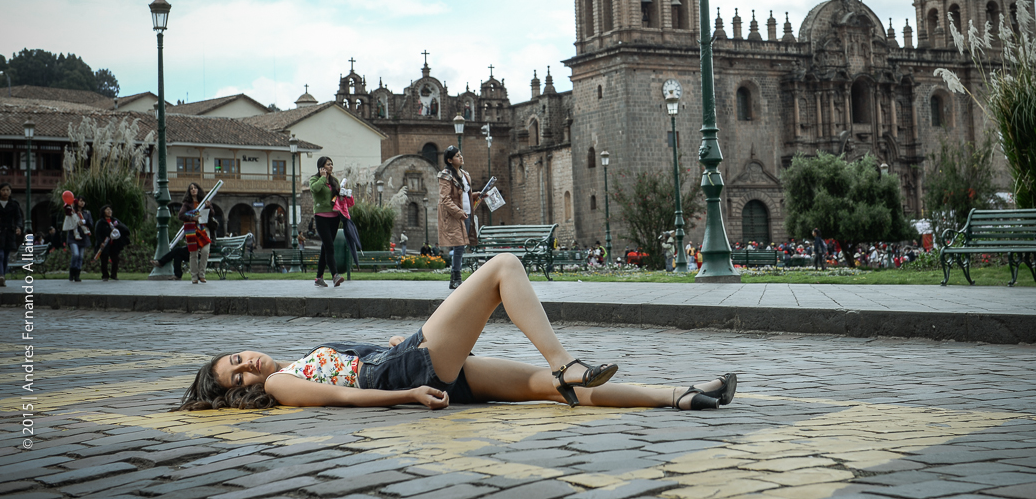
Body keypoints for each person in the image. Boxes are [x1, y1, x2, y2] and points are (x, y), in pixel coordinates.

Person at [176, 253, 736, 412]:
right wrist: (409, 393)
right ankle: (565, 360)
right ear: (242, 392)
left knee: (552, 392)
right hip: (410, 374)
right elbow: (347, 396)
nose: (248, 366)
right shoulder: (280, 385)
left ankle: (680, 395)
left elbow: (349, 370)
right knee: (504, 267)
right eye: (238, 377)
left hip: (413, 365)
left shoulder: (290, 365)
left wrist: (390, 349)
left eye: (237, 358)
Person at [438, 145, 480, 291]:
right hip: (455, 216)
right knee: (459, 245)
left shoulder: (465, 175)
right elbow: (445, 199)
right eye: (457, 156)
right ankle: (456, 277)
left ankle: (454, 279)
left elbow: (464, 195)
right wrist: (458, 212)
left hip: (467, 214)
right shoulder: (445, 176)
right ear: (449, 160)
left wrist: (476, 195)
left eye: (460, 154)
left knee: (462, 246)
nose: (461, 157)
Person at [309, 156, 345, 288]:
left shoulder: (334, 181)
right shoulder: (314, 179)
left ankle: (319, 277)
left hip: (334, 217)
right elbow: (315, 189)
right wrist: (323, 178)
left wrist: (343, 193)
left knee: (325, 248)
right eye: (328, 164)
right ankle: (335, 275)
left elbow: (337, 197)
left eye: (331, 164)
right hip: (321, 217)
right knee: (329, 247)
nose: (331, 166)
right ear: (321, 167)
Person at [179, 182, 212, 284]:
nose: (193, 189)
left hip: (203, 229)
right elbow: (181, 215)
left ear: (198, 189)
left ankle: (202, 274)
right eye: (191, 188)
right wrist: (192, 217)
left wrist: (208, 206)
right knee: (193, 253)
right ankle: (194, 276)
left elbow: (212, 214)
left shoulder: (204, 201)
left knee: (205, 251)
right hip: (192, 230)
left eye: (195, 187)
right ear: (189, 191)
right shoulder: (187, 203)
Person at [93, 204, 131, 281]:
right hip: (105, 243)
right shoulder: (101, 222)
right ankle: (105, 275)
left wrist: (117, 226)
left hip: (114, 244)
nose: (109, 211)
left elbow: (124, 229)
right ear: (103, 211)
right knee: (104, 260)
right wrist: (100, 242)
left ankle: (114, 274)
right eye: (107, 209)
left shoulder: (115, 221)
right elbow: (97, 233)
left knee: (115, 259)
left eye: (110, 209)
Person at [0, 183, 23, 288]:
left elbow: (18, 217)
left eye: (7, 190)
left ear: (10, 191)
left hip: (9, 233)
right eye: (3, 190)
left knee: (6, 256)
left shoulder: (14, 204)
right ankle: (0, 275)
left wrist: (18, 227)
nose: (5, 192)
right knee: (0, 255)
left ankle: (2, 276)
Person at [61, 196, 90, 282]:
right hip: (73, 237)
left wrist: (84, 222)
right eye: (80, 201)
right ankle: (72, 271)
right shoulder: (72, 211)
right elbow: (67, 215)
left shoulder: (87, 213)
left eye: (83, 201)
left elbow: (91, 223)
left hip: (83, 237)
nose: (82, 203)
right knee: (76, 254)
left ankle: (77, 274)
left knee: (80, 257)